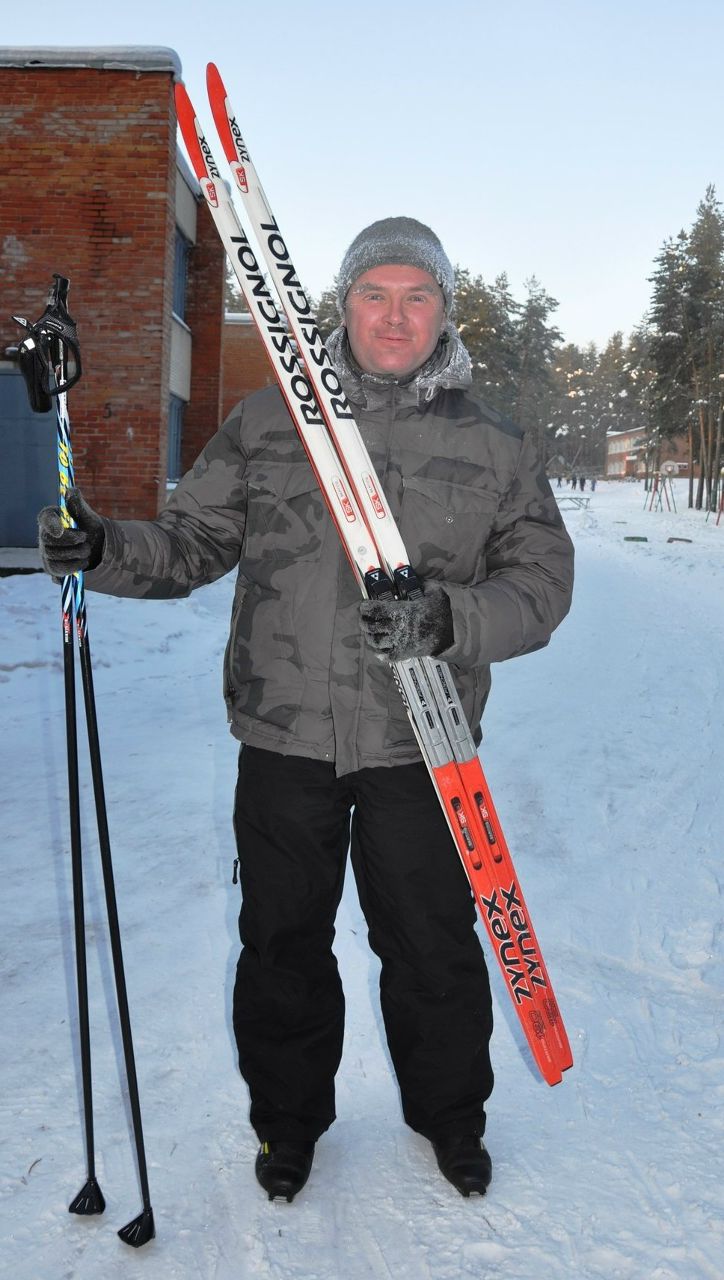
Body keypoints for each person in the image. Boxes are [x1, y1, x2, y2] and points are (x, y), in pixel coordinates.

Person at [38, 217, 574, 1204]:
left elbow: (539, 585)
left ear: (444, 313)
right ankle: (288, 1127)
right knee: (282, 941)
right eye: (376, 293)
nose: (395, 315)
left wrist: (448, 615)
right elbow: (189, 546)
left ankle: (450, 1117)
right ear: (343, 303)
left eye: (418, 296)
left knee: (431, 945)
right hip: (284, 736)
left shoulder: (492, 443)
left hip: (424, 742)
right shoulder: (266, 422)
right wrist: (102, 547)